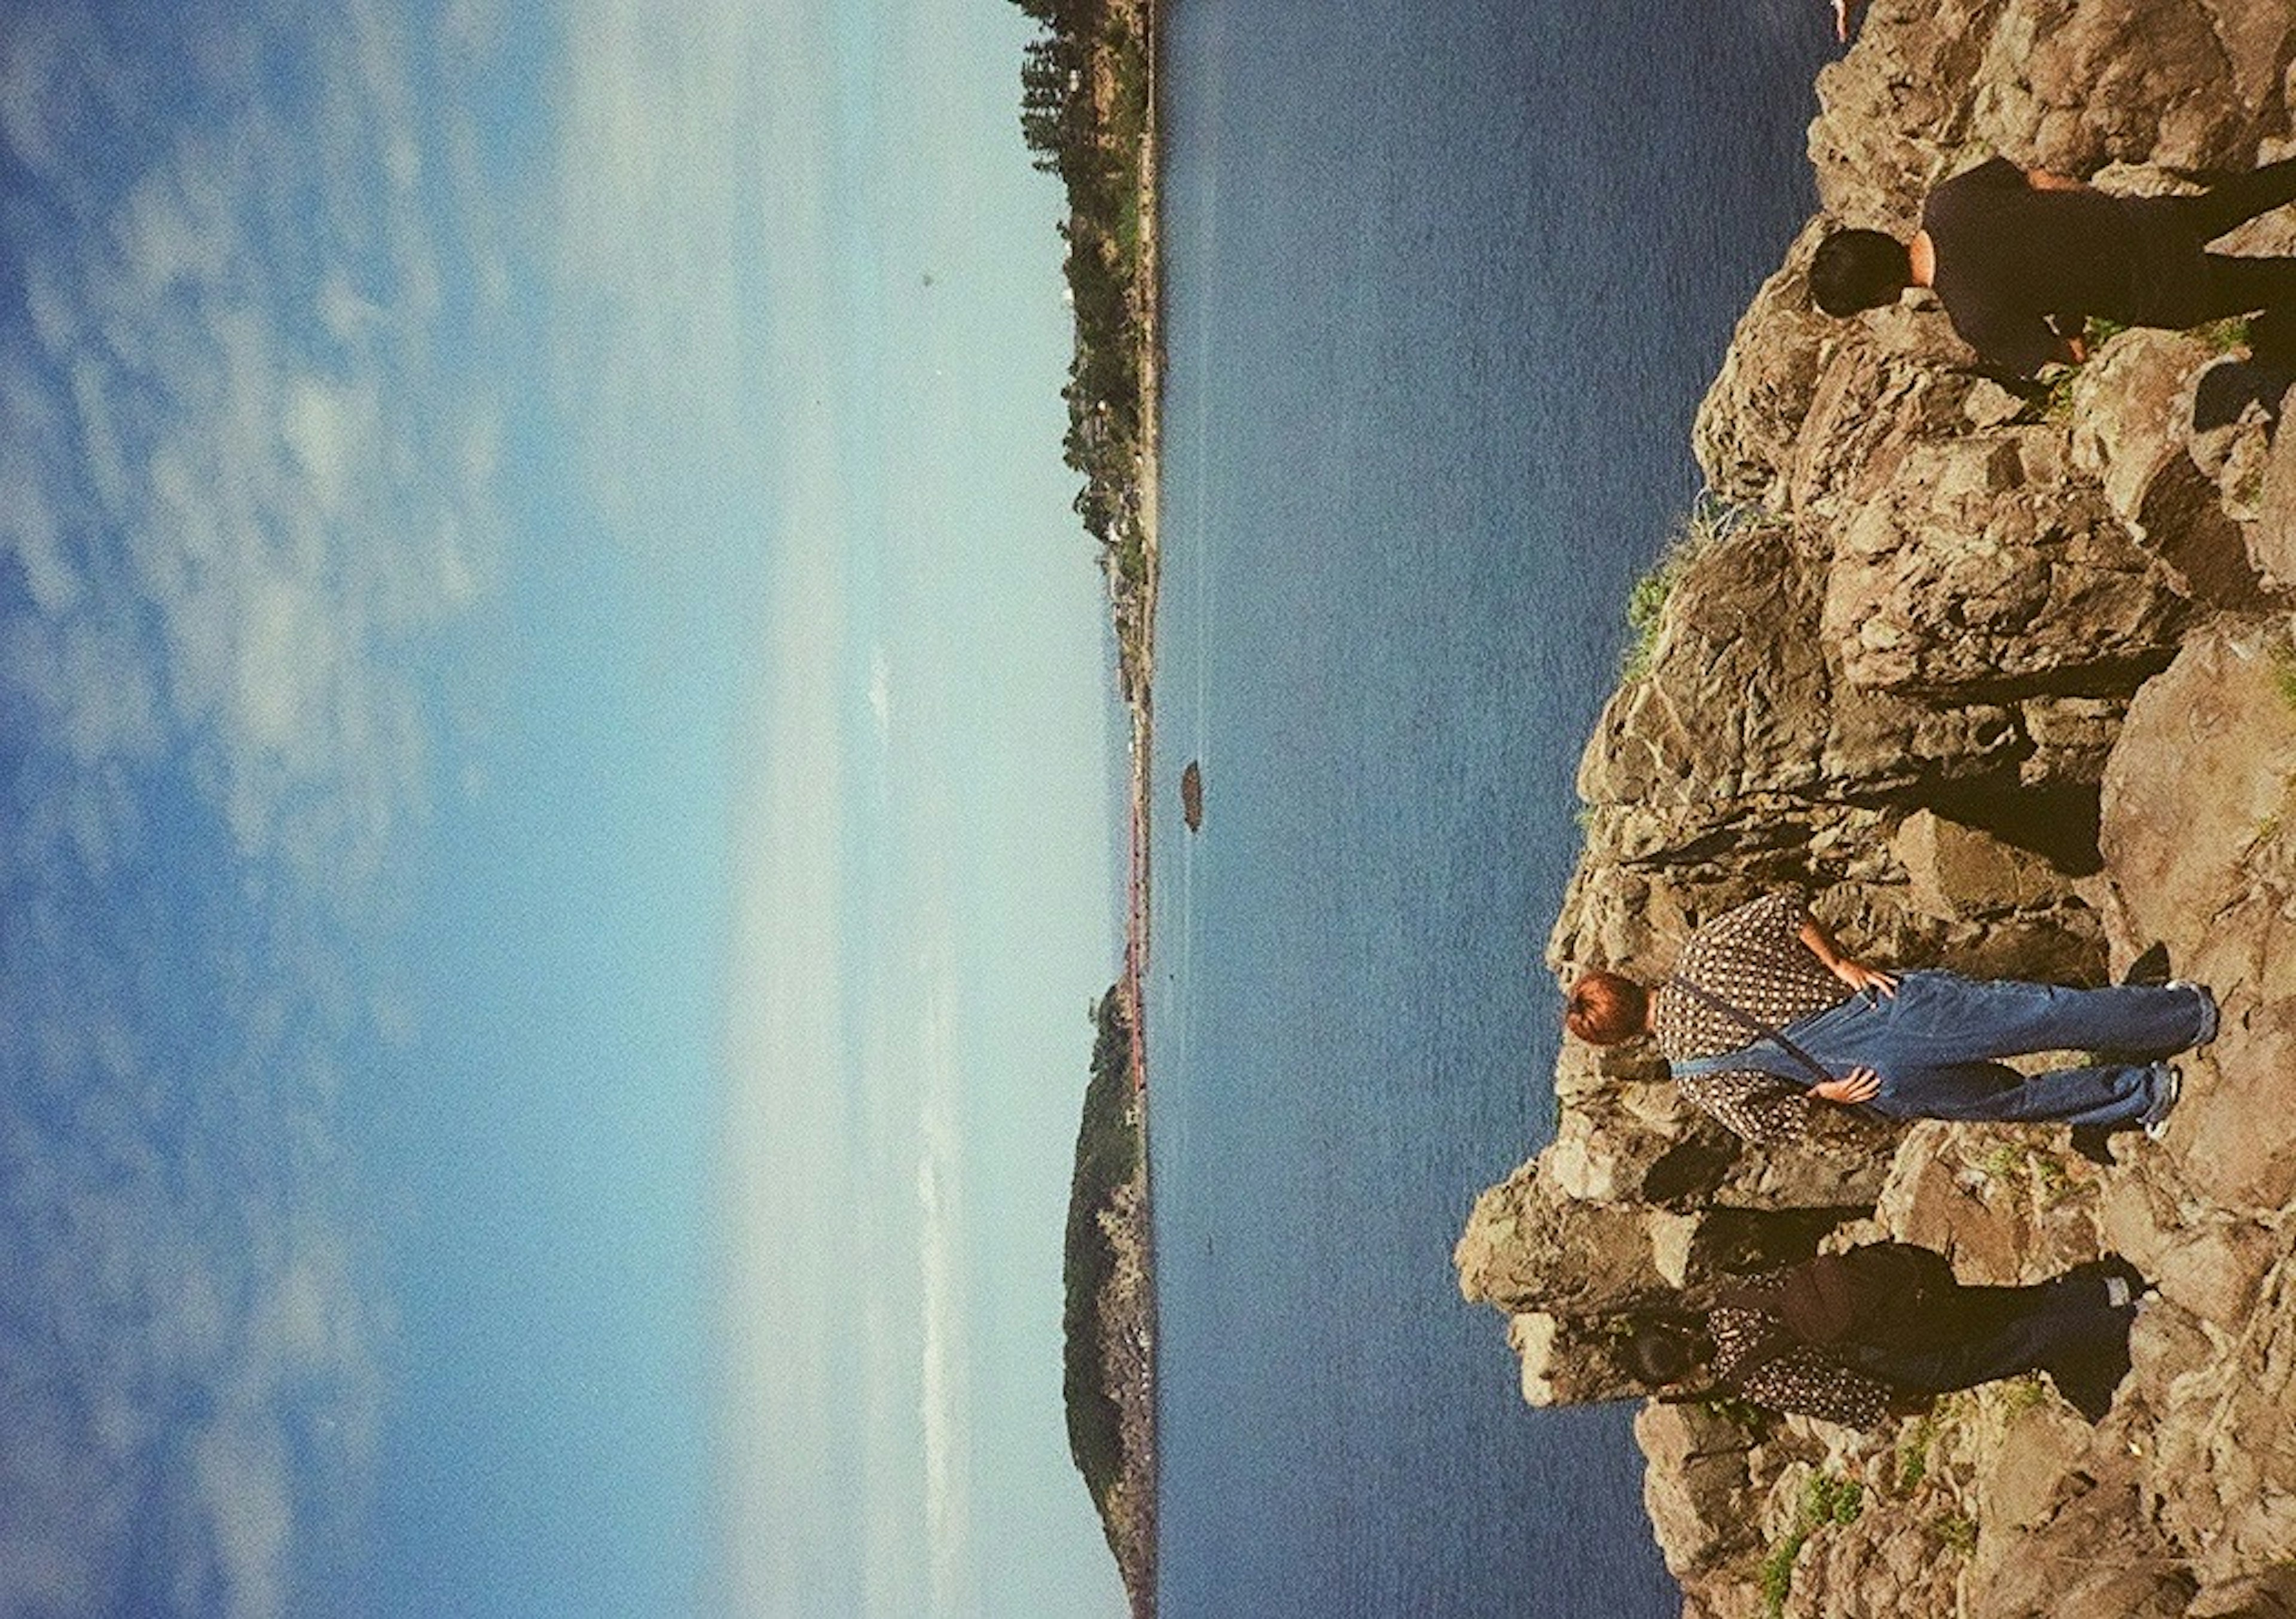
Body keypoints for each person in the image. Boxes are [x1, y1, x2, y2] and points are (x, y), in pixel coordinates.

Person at [1563, 892, 2214, 1147]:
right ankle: (2185, 1016)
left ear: (1622, 1040)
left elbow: (1772, 1124)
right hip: (1883, 1004)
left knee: (2015, 1100)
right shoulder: (1703, 951)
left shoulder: (1697, 1078)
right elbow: (1787, 907)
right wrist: (1841, 961)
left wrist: (1823, 1091)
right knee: (2042, 1015)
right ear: (1627, 979)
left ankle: (2147, 1093)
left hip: (1872, 1076)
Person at [1809, 155, 2296, 379]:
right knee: (2251, 193)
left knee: (2278, 283)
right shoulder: (1949, 200)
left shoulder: (1975, 319)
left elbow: (2069, 353)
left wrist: (2071, 324)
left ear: (1880, 295)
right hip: (2144, 221)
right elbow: (2038, 180)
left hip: (2159, 291)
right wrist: (2099, 209)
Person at [1632, 1243, 2144, 1428]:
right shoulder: (1729, 1302)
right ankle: (2110, 1289)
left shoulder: (1747, 1378)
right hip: (1891, 1279)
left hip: (1900, 1338)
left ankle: (2135, 1320)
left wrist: (1896, 1406)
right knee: (2004, 1304)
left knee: (2014, 1344)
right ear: (1678, 1328)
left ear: (1679, 1380)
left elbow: (1830, 1392)